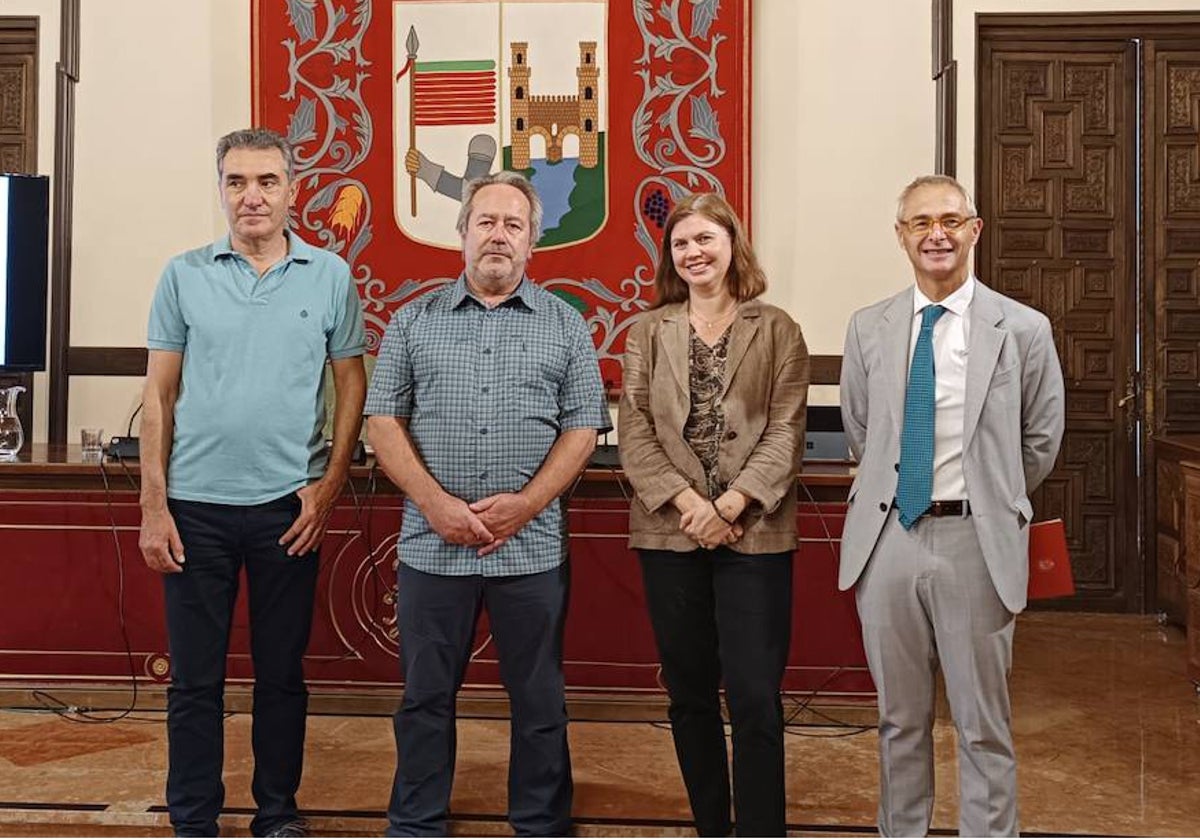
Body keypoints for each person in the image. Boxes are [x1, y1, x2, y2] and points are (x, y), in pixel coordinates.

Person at [364, 170, 610, 837]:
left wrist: (526, 505)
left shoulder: (566, 325)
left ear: (533, 242)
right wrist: (439, 506)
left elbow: (583, 428)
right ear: (462, 234)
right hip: (430, 546)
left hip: (529, 550)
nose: (498, 235)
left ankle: (538, 823)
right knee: (424, 700)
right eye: (486, 222)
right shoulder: (412, 321)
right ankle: (416, 823)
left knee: (537, 700)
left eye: (513, 225)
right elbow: (381, 421)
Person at [138, 128, 367, 837]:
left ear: (293, 190)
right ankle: (195, 819)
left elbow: (351, 386)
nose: (252, 196)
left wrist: (328, 489)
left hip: (287, 510)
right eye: (236, 182)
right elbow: (159, 396)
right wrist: (153, 506)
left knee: (281, 676)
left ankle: (277, 814)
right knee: (195, 681)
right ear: (222, 191)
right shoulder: (183, 274)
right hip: (194, 510)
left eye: (266, 181)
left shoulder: (330, 276)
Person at [838, 174, 1065, 837]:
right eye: (920, 223)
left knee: (982, 726)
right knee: (899, 721)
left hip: (976, 543)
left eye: (950, 221)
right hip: (889, 543)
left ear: (974, 229)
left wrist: (989, 496)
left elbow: (1041, 439)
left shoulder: (1023, 329)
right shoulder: (869, 327)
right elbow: (861, 428)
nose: (936, 234)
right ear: (901, 236)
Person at [617, 192, 810, 837]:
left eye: (706, 239)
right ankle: (712, 827)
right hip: (670, 534)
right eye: (681, 244)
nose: (694, 252)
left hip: (754, 534)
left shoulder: (777, 327)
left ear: (732, 245)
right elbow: (636, 430)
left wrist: (731, 503)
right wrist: (689, 504)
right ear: (670, 257)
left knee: (755, 696)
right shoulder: (647, 331)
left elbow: (786, 429)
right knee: (689, 695)